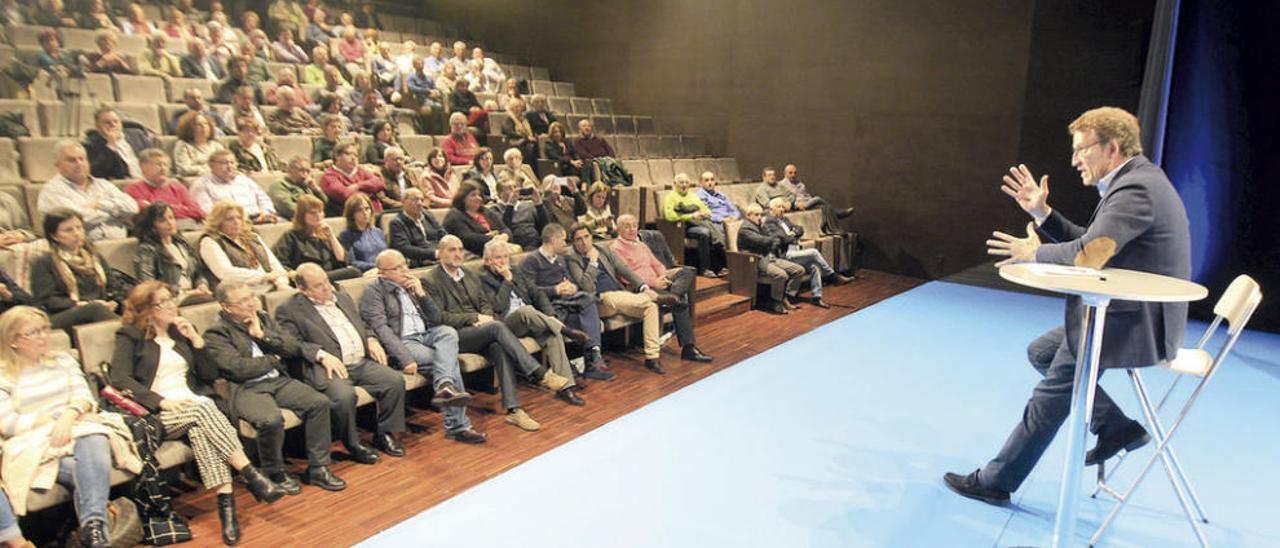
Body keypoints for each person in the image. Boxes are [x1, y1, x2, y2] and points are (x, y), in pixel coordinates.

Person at [944, 107, 1193, 505]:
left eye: (1082, 150)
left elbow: (1089, 255)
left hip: (1135, 322)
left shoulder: (1135, 189)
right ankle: (1115, 426)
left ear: (1111, 147)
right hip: (1126, 312)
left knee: (1052, 392)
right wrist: (1042, 213)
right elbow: (1094, 242)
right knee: (1042, 351)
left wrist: (1034, 251)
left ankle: (996, 482)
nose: (1074, 159)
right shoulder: (1134, 180)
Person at [111, 282, 285, 544]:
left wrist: (197, 341)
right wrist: (160, 402)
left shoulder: (179, 332)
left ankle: (228, 513)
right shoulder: (130, 335)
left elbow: (210, 376)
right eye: (162, 302)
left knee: (202, 425)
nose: (171, 305)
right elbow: (119, 378)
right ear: (146, 310)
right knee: (204, 408)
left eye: (171, 299)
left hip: (195, 408)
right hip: (159, 414)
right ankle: (249, 473)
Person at [203, 281, 346, 492]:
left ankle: (318, 468)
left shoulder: (263, 318)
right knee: (270, 420)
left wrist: (263, 336)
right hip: (247, 387)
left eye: (251, 296)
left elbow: (292, 347)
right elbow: (238, 369)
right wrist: (275, 357)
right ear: (226, 307)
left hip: (278, 380)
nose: (251, 303)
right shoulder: (216, 333)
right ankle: (275, 473)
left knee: (319, 402)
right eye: (243, 301)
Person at [425, 236, 571, 431]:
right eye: (452, 250)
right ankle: (539, 373)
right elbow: (438, 317)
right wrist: (475, 318)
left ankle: (514, 411)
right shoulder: (430, 280)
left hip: (481, 330)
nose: (458, 253)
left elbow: (485, 304)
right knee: (497, 327)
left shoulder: (469, 273)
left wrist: (484, 317)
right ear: (441, 253)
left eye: (460, 249)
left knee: (499, 347)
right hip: (454, 335)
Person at [0, 306, 118, 547]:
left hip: (76, 429)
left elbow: (85, 396)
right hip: (35, 442)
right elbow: (7, 421)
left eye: (45, 329)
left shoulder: (63, 360)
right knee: (87, 468)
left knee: (94, 438)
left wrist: (67, 417)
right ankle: (97, 532)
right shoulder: (4, 375)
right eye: (33, 333)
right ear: (13, 341)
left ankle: (93, 529)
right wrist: (48, 424)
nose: (43, 336)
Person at [275, 263, 407, 461]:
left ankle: (384, 434)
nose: (327, 287)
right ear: (303, 290)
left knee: (394, 381)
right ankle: (353, 444)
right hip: (326, 368)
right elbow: (291, 344)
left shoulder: (342, 297)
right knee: (344, 396)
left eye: (326, 281)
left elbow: (361, 324)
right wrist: (320, 354)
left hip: (360, 362)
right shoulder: (289, 309)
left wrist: (370, 339)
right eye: (318, 286)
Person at [360, 250, 486, 444]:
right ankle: (458, 426)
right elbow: (381, 329)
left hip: (426, 334)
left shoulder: (412, 286)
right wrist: (405, 358)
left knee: (447, 332)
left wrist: (422, 295)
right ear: (382, 273)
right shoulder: (374, 292)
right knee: (448, 362)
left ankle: (445, 386)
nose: (405, 270)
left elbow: (436, 319)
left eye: (405, 264)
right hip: (404, 342)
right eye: (398, 268)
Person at [477, 240, 587, 405]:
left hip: (531, 320)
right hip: (505, 325)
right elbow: (497, 307)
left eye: (505, 257)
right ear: (487, 261)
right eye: (498, 258)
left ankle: (565, 388)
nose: (503, 261)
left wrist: (551, 315)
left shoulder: (516, 272)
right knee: (526, 310)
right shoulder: (482, 279)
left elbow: (537, 294)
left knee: (552, 334)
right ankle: (566, 330)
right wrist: (507, 281)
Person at [565, 223, 673, 375]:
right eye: (579, 239)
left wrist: (644, 287)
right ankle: (657, 299)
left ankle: (652, 358)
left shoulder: (602, 250)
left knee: (650, 308)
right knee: (644, 301)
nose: (584, 242)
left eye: (586, 237)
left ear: (591, 237)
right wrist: (593, 263)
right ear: (573, 242)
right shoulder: (572, 258)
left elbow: (624, 270)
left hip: (619, 296)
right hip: (599, 302)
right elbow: (586, 288)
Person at [610, 214, 712, 362]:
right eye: (627, 226)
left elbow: (657, 264)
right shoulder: (616, 248)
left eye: (634, 225)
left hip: (658, 282)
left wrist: (663, 277)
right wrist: (654, 282)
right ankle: (688, 348)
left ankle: (671, 297)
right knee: (681, 301)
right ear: (618, 229)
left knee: (687, 272)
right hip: (641, 288)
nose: (632, 229)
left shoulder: (641, 244)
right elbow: (626, 277)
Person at [518, 224, 613, 380]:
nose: (565, 244)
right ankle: (593, 356)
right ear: (553, 240)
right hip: (550, 308)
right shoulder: (532, 261)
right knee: (588, 311)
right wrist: (555, 290)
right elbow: (527, 292)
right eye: (563, 240)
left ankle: (592, 360)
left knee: (588, 301)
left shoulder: (560, 259)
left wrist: (572, 288)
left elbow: (572, 282)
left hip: (569, 303)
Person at [30, 210, 122, 329]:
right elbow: (47, 300)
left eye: (79, 228)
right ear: (54, 236)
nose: (77, 233)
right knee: (94, 309)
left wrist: (114, 302)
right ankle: (131, 335)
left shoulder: (95, 257)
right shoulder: (44, 262)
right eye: (68, 230)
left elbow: (112, 286)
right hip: (62, 314)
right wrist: (80, 304)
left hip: (99, 307)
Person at [37, 141, 138, 241]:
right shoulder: (52, 191)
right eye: (72, 160)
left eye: (82, 159)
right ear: (57, 165)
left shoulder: (103, 184)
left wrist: (100, 205)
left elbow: (132, 207)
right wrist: (116, 214)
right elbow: (79, 220)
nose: (79, 164)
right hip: (82, 249)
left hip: (120, 246)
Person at [764, 198, 854, 308]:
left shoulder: (785, 220)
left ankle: (817, 297)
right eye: (779, 207)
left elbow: (800, 229)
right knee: (814, 252)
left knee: (814, 267)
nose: (782, 209)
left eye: (783, 207)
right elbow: (783, 239)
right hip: (784, 254)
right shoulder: (769, 222)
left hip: (795, 251)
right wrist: (792, 235)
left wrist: (793, 233)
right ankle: (832, 276)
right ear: (771, 209)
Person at [197, 202, 291, 293]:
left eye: (239, 218)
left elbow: (275, 265)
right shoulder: (210, 241)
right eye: (230, 219)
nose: (236, 222)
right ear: (218, 222)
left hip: (272, 286)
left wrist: (281, 283)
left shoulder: (253, 237)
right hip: (238, 292)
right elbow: (226, 273)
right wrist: (263, 277)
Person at [132, 203, 212, 304]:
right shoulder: (146, 249)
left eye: (171, 218)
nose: (170, 223)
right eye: (162, 220)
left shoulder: (182, 243)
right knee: (209, 301)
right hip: (169, 298)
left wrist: (202, 284)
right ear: (152, 226)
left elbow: (198, 272)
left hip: (194, 293)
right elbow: (148, 284)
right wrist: (187, 292)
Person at [737, 204, 806, 314]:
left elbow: (773, 240)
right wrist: (775, 239)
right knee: (781, 274)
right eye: (756, 214)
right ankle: (776, 302)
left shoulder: (760, 226)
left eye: (761, 214)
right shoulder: (745, 229)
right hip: (755, 261)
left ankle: (786, 297)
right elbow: (764, 241)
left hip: (769, 257)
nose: (759, 217)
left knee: (799, 270)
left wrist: (774, 239)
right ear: (748, 215)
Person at [272, 196, 360, 281]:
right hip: (307, 278)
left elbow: (342, 260)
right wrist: (297, 275)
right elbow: (280, 264)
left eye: (320, 211)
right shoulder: (291, 236)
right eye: (312, 213)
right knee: (354, 272)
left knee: (354, 272)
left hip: (328, 275)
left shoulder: (325, 235)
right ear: (302, 216)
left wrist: (331, 237)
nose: (318, 216)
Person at [124, 150, 206, 232]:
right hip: (161, 232)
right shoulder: (133, 189)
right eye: (158, 164)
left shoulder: (178, 187)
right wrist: (181, 208)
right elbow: (151, 215)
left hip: (192, 225)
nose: (163, 168)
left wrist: (168, 209)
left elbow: (198, 212)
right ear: (143, 167)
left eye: (166, 165)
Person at [188, 149, 279, 222]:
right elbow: (207, 211)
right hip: (228, 224)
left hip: (258, 219)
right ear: (211, 165)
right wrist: (238, 219)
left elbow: (264, 199)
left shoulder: (245, 180)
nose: (229, 166)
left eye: (232, 163)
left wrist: (265, 212)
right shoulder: (201, 184)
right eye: (224, 163)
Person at [664, 173, 727, 278]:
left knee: (715, 228)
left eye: (686, 182)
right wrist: (691, 216)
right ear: (675, 184)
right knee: (705, 232)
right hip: (682, 228)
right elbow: (670, 216)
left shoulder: (693, 196)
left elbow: (706, 209)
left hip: (698, 224)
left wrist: (705, 213)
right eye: (681, 182)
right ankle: (705, 269)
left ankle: (718, 266)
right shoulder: (671, 197)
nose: (684, 185)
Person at [777, 164, 854, 235]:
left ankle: (834, 230)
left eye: (795, 173)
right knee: (818, 198)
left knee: (826, 207)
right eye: (790, 173)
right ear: (785, 173)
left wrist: (811, 201)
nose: (793, 175)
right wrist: (797, 204)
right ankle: (838, 213)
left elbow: (807, 195)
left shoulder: (800, 184)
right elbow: (784, 199)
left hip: (807, 203)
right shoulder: (781, 185)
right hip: (796, 205)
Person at [83, 107, 154, 181]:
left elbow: (154, 157)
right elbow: (97, 172)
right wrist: (111, 144)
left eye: (115, 121)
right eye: (107, 123)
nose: (113, 125)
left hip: (149, 179)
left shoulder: (137, 135)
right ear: (98, 127)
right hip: (124, 183)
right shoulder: (91, 145)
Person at [443, 182, 513, 257]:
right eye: (473, 195)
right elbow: (467, 238)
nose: (478, 198)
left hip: (498, 247)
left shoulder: (486, 211)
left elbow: (505, 228)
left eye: (479, 195)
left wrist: (504, 236)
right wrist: (492, 238)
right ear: (463, 198)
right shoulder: (455, 215)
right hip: (474, 252)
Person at [319, 142, 386, 217]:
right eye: (349, 154)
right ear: (337, 156)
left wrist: (357, 186)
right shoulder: (328, 176)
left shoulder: (360, 171)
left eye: (356, 155)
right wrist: (369, 192)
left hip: (377, 213)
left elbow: (379, 183)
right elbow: (345, 194)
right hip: (353, 217)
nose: (353, 158)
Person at [388, 188, 447, 268]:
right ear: (403, 201)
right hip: (419, 260)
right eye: (415, 200)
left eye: (422, 200)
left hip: (440, 254)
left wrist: (448, 246)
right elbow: (405, 248)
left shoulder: (427, 215)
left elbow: (442, 233)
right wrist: (434, 254)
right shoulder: (397, 223)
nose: (420, 203)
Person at [489, 179, 549, 251]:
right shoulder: (495, 209)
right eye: (509, 188)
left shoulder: (528, 205)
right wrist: (510, 205)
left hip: (536, 241)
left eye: (515, 187)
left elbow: (545, 225)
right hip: (516, 244)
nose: (514, 191)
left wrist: (539, 204)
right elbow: (504, 227)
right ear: (499, 194)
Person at [337, 194, 385, 272]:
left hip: (384, 270)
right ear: (352, 214)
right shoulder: (346, 235)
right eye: (359, 210)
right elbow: (351, 262)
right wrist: (376, 267)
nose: (365, 213)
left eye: (367, 209)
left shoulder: (378, 232)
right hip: (366, 273)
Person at [173, 112, 226, 177]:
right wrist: (209, 169)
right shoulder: (183, 145)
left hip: (218, 178)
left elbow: (225, 163)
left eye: (206, 124)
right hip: (194, 180)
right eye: (198, 125)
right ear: (189, 128)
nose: (204, 127)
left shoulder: (216, 145)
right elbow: (184, 169)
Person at [499, 99, 537, 163]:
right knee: (529, 147)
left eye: (519, 107)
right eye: (516, 107)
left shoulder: (524, 120)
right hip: (513, 141)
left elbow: (530, 132)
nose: (518, 109)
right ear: (511, 108)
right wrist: (525, 137)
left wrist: (530, 137)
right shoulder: (508, 119)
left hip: (525, 141)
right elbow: (509, 132)